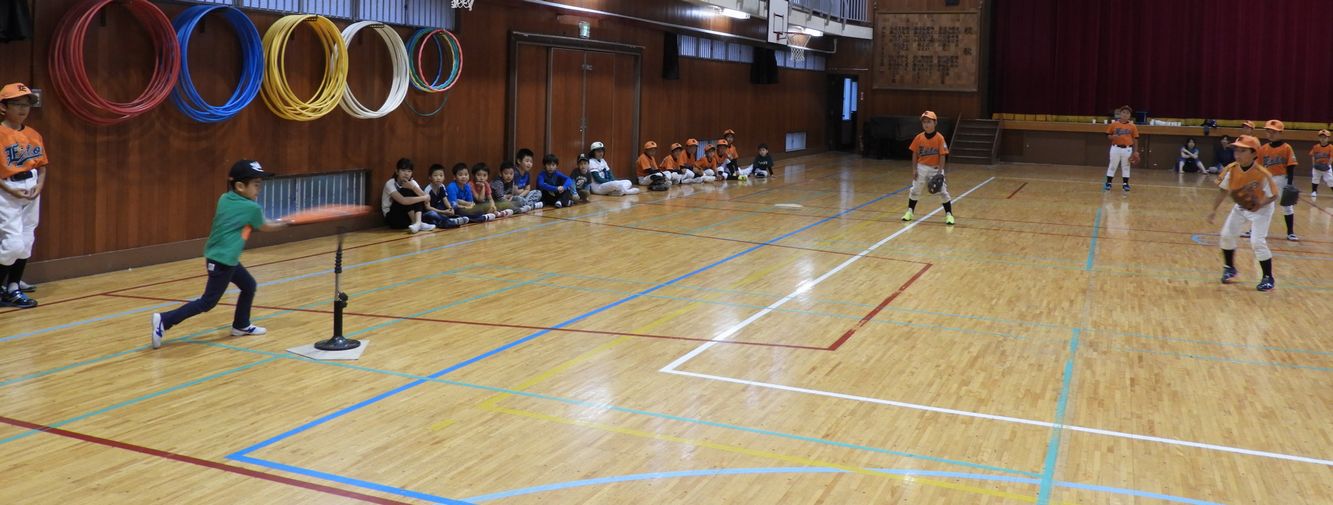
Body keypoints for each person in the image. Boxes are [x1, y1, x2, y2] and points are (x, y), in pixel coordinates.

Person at [150, 160, 288, 348]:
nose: (259, 189)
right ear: (240, 186)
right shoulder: (251, 208)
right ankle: (164, 320)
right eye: (256, 184)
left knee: (249, 285)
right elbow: (265, 226)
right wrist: (286, 223)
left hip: (221, 257)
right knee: (207, 302)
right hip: (223, 261)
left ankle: (241, 325)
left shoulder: (225, 198)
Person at [1205, 135, 1277, 292]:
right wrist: (1213, 210)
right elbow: (1223, 191)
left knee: (1257, 242)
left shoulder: (1262, 173)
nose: (1237, 154)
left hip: (1262, 210)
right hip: (1241, 207)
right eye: (1236, 150)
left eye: (1242, 151)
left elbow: (1273, 195)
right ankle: (1229, 268)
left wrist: (1260, 205)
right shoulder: (1231, 169)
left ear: (1254, 153)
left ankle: (1268, 277)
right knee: (1226, 235)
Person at [0, 83, 44, 308]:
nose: (23, 109)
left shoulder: (33, 134)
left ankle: (13, 287)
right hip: (7, 189)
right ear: (3, 107)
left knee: (26, 241)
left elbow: (42, 165)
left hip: (31, 188)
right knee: (13, 245)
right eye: (17, 104)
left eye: (26, 104)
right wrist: (9, 189)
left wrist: (39, 186)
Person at [902, 110, 954, 225]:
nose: (926, 124)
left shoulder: (939, 138)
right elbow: (914, 154)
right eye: (924, 122)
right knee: (915, 190)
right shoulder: (919, 137)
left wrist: (940, 172)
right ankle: (910, 212)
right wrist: (914, 169)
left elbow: (943, 155)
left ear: (935, 123)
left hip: (936, 168)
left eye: (929, 122)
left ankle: (949, 214)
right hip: (921, 167)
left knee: (943, 191)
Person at [1257, 120, 1298, 241]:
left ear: (1280, 133)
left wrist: (1289, 184)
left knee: (1287, 206)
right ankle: (1254, 230)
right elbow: (1259, 167)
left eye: (1273, 132)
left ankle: (1290, 232)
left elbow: (1291, 166)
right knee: (1263, 205)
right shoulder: (1263, 148)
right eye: (1268, 131)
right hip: (1267, 178)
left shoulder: (1286, 148)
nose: (1270, 134)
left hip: (1281, 178)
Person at [381, 158, 435, 233]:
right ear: (397, 171)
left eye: (409, 171)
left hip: (406, 218)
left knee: (415, 192)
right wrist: (422, 196)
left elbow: (428, 198)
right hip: (393, 219)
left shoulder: (412, 182)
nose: (406, 173)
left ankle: (418, 223)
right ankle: (416, 223)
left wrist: (414, 188)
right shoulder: (390, 183)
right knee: (406, 191)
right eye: (403, 170)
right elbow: (403, 201)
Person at [1104, 105, 1139, 192]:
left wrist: (1135, 151)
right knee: (1113, 165)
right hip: (1115, 148)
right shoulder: (1114, 124)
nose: (1125, 114)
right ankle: (1108, 183)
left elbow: (1135, 139)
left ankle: (1125, 184)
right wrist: (1112, 137)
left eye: (1127, 113)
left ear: (1130, 115)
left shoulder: (1132, 126)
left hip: (1127, 149)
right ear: (1120, 113)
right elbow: (1108, 135)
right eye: (1123, 112)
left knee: (1126, 166)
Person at [423, 164, 468, 228]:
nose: (438, 178)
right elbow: (428, 208)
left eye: (441, 175)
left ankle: (450, 219)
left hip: (440, 209)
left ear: (444, 177)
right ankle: (450, 220)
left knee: (454, 204)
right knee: (432, 214)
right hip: (432, 211)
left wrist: (450, 209)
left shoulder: (442, 186)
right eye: (435, 175)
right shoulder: (427, 189)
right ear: (430, 177)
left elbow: (445, 200)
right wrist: (443, 212)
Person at [1309, 129, 1332, 199]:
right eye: (1321, 137)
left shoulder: (1331, 147)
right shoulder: (1316, 147)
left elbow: (1331, 157)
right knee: (1315, 179)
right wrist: (1313, 164)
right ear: (1319, 138)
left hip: (1326, 166)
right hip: (1317, 166)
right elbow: (1313, 156)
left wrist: (1328, 165)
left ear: (1328, 138)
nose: (1323, 139)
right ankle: (1314, 191)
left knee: (1330, 180)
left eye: (1325, 137)